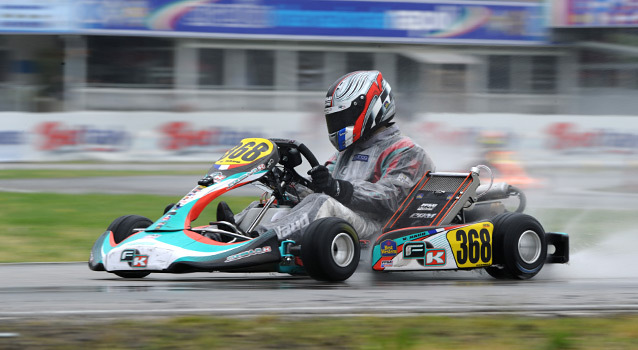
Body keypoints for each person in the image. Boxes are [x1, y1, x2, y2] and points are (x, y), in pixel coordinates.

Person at [236, 70, 434, 242]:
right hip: (340, 221)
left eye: (343, 117)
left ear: (372, 108)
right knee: (273, 203)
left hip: (377, 229)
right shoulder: (349, 151)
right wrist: (289, 184)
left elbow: (391, 199)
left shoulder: (406, 151)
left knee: (322, 203)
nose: (338, 123)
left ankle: (260, 241)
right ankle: (228, 232)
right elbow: (319, 189)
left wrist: (338, 188)